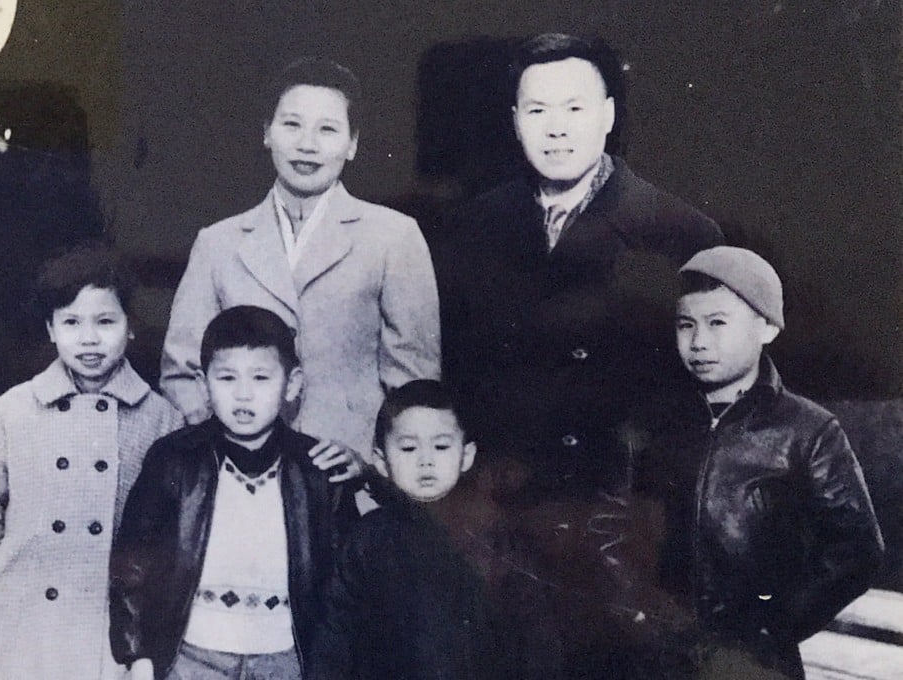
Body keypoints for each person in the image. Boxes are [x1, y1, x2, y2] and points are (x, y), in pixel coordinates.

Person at [433, 33, 724, 676]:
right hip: (506, 531)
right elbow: (454, 376)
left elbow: (695, 412)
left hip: (621, 536)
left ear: (610, 116)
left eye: (574, 108)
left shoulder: (679, 232)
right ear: (513, 121)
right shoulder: (472, 229)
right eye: (536, 110)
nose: (556, 129)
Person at [160, 56, 440, 470]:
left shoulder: (394, 237)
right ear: (267, 133)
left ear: (352, 143)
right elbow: (180, 370)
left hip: (352, 471)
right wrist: (224, 446)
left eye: (327, 129)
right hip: (237, 472)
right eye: (291, 124)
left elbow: (414, 384)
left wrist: (376, 466)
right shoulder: (217, 244)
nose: (307, 144)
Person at [637, 246, 884, 678]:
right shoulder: (660, 426)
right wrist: (634, 609)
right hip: (657, 661)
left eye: (717, 323)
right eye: (686, 325)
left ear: (767, 327)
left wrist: (773, 628)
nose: (698, 342)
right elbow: (621, 524)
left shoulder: (808, 430)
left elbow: (857, 550)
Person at [0, 243, 183, 679]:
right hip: (19, 619)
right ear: (51, 329)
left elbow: (170, 527)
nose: (89, 338)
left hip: (105, 628)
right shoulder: (13, 410)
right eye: (72, 322)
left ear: (130, 328)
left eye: (105, 321)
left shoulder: (161, 419)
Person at [110, 305, 356, 680]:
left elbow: (348, 581)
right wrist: (137, 655)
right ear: (203, 381)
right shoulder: (174, 458)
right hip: (192, 657)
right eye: (227, 378)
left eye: (260, 378)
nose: (243, 395)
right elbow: (133, 565)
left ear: (292, 384)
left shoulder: (317, 469)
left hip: (286, 659)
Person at [313, 380, 494, 679]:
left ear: (467, 455)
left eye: (441, 446)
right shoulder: (367, 539)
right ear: (382, 462)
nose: (426, 460)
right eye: (409, 448)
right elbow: (335, 635)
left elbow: (529, 639)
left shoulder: (489, 536)